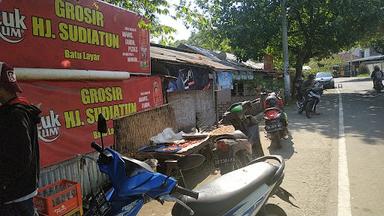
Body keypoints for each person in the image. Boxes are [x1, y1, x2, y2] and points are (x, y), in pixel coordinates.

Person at [0, 62, 41, 216]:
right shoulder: (19, 111)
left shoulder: (14, 115)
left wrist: (2, 183)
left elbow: (21, 157)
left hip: (14, 198)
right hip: (19, 195)